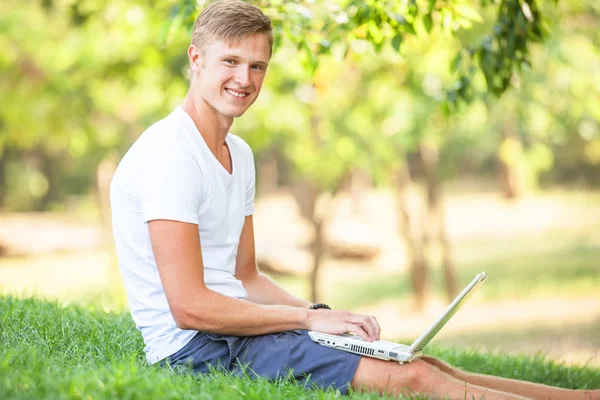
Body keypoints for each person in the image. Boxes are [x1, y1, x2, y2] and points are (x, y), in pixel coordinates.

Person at [109, 1, 599, 399]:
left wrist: (324, 316)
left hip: (239, 331)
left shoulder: (238, 152)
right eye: (230, 62)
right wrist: (307, 319)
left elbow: (246, 277)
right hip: (199, 350)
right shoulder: (170, 155)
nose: (245, 79)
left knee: (421, 362)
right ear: (196, 60)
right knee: (414, 382)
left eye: (257, 65)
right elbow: (189, 308)